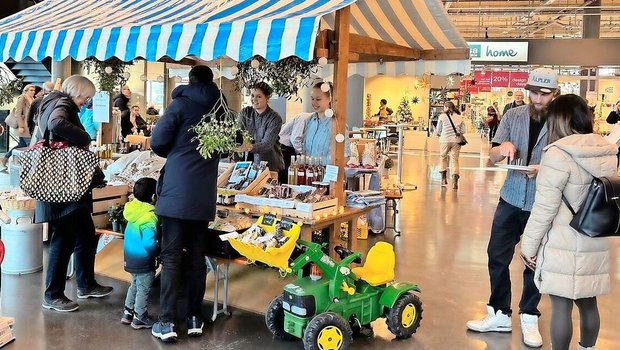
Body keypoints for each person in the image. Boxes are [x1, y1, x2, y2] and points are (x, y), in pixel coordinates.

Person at [466, 68, 560, 348]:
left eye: (544, 94)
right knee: (496, 255)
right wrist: (502, 147)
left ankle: (529, 315)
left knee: (534, 261)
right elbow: (494, 156)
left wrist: (545, 169)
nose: (538, 98)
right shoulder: (513, 115)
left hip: (543, 203)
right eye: (533, 92)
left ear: (554, 94)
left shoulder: (562, 121)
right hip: (510, 197)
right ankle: (499, 312)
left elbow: (569, 162)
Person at [520, 94, 616, 350]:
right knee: (588, 301)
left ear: (558, 121)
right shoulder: (606, 151)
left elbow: (544, 208)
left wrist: (528, 246)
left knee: (561, 304)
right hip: (594, 235)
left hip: (562, 238)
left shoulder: (557, 154)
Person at [150, 65, 221, 343]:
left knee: (170, 258)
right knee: (195, 258)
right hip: (203, 194)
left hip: (177, 192)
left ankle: (166, 322)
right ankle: (194, 318)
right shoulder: (220, 110)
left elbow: (157, 141)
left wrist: (177, 151)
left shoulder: (180, 105)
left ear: (189, 81)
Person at [37, 75, 113, 312]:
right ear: (76, 92)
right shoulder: (63, 103)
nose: (86, 102)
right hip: (64, 188)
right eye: (85, 97)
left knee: (86, 235)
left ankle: (86, 284)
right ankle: (53, 295)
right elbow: (56, 125)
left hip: (65, 186)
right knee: (64, 237)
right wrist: (84, 138)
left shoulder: (52, 101)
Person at [121, 177, 159, 330]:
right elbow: (148, 243)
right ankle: (139, 317)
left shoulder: (132, 211)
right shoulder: (149, 216)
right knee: (143, 287)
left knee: (135, 284)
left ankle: (128, 312)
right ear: (153, 197)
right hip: (143, 259)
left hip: (129, 257)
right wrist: (156, 251)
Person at [236, 82, 285, 173]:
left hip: (270, 165)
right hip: (247, 163)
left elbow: (267, 144)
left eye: (258, 96)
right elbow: (237, 132)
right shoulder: (245, 112)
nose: (254, 99)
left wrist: (248, 147)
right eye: (252, 95)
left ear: (267, 98)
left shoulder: (274, 118)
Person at [303, 82, 349, 165]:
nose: (314, 103)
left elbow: (344, 157)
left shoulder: (337, 124)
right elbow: (305, 151)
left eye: (318, 99)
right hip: (309, 174)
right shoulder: (309, 121)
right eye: (312, 99)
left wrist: (316, 162)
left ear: (329, 99)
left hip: (328, 175)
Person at [0, 84, 35, 170]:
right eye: (31, 90)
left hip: (29, 126)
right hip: (24, 127)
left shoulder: (31, 99)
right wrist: (21, 126)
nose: (33, 92)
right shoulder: (22, 98)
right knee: (30, 146)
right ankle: (29, 165)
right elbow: (18, 113)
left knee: (21, 144)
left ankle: (6, 157)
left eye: (34, 90)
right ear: (25, 91)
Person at [436, 101, 465, 189]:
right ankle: (455, 180)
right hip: (456, 141)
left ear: (446, 107)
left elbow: (438, 130)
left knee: (443, 157)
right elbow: (463, 130)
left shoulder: (442, 116)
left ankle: (443, 179)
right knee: (454, 160)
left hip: (444, 140)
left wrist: (439, 134)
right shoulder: (460, 117)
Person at [278, 112, 311, 183]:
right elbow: (295, 139)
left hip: (291, 148)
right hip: (285, 148)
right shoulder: (304, 118)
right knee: (288, 177)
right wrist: (303, 154)